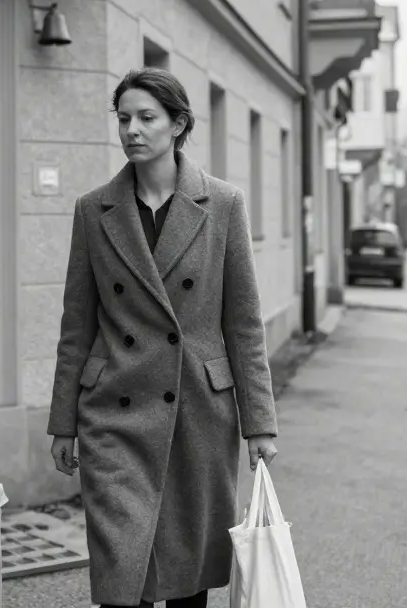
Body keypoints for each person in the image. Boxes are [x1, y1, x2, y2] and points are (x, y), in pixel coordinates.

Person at [47, 67, 279, 608]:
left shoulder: (222, 204)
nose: (131, 129)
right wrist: (64, 423)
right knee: (119, 580)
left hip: (196, 415)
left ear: (177, 125)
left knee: (186, 580)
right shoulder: (93, 210)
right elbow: (76, 325)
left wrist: (259, 424)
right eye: (124, 118)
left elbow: (243, 323)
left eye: (146, 118)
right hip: (114, 415)